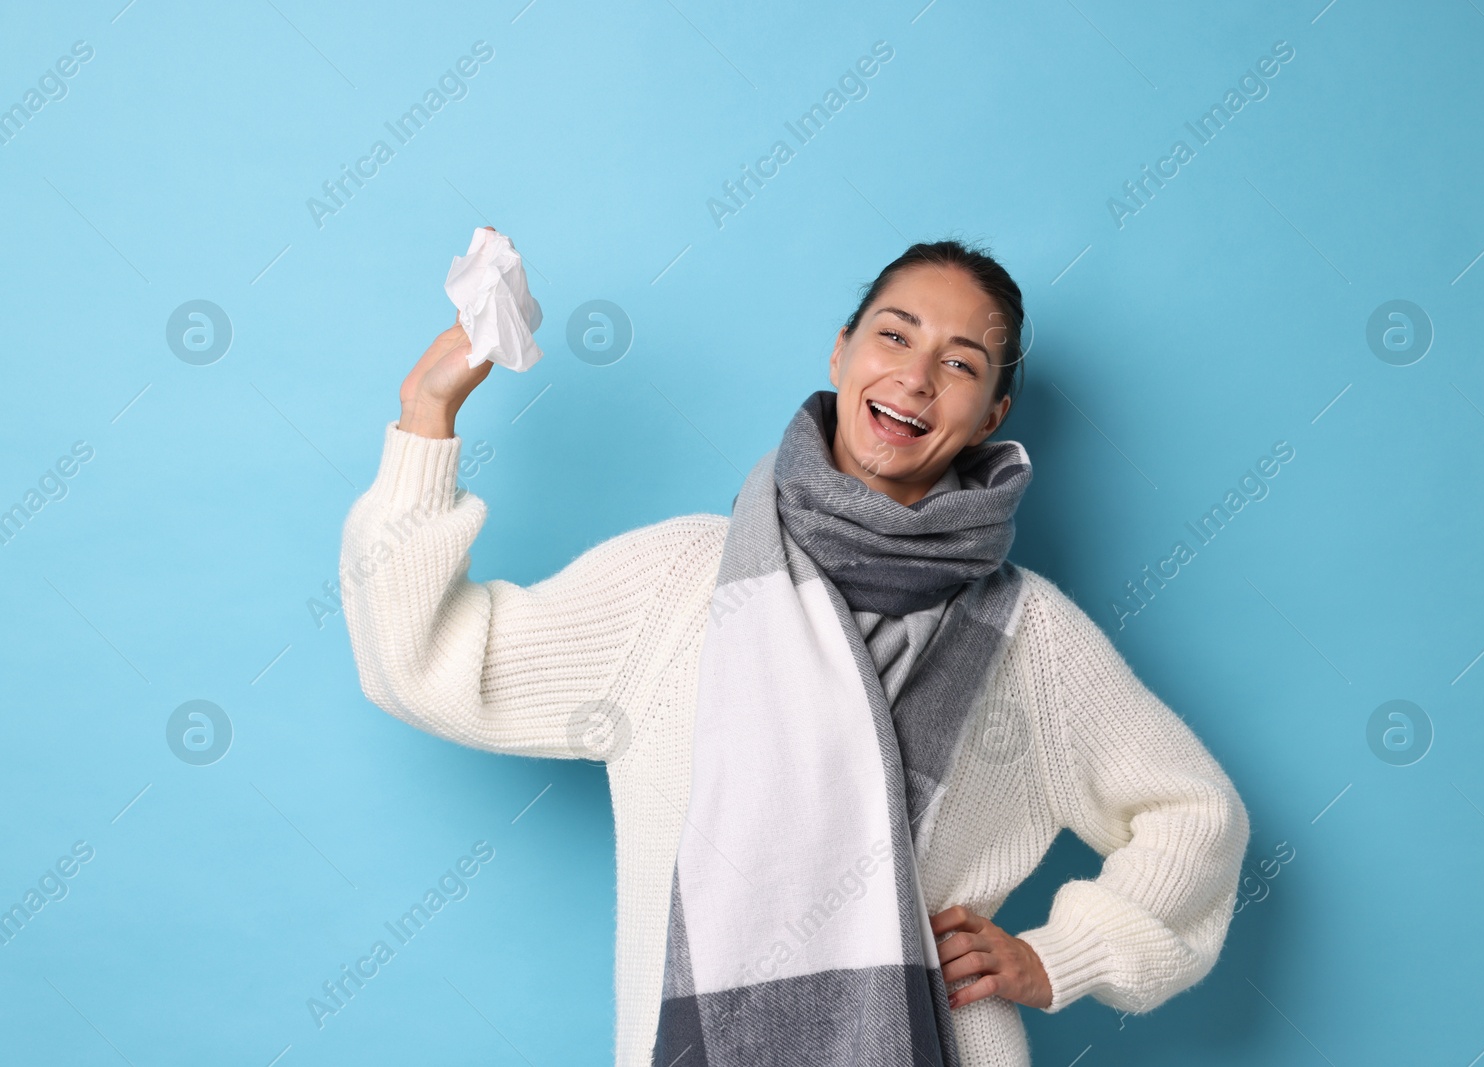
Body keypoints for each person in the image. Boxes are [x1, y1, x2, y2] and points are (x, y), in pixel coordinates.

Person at [339, 235, 1250, 1066]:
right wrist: (426, 417)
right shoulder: (682, 583)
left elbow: (1195, 812)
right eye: (894, 336)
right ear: (841, 351)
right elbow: (435, 665)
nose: (917, 377)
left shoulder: (1025, 637)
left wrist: (1057, 957)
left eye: (960, 362)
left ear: (992, 412)